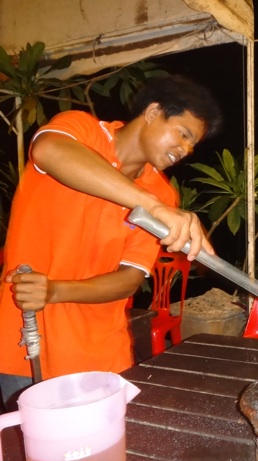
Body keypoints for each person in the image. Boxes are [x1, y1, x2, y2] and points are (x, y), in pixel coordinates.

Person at [0, 74, 222, 411]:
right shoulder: (83, 130)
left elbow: (129, 279)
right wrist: (152, 206)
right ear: (152, 112)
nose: (186, 150)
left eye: (193, 144)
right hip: (26, 339)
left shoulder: (163, 193)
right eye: (183, 133)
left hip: (100, 352)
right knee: (34, 456)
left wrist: (56, 291)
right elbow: (48, 149)